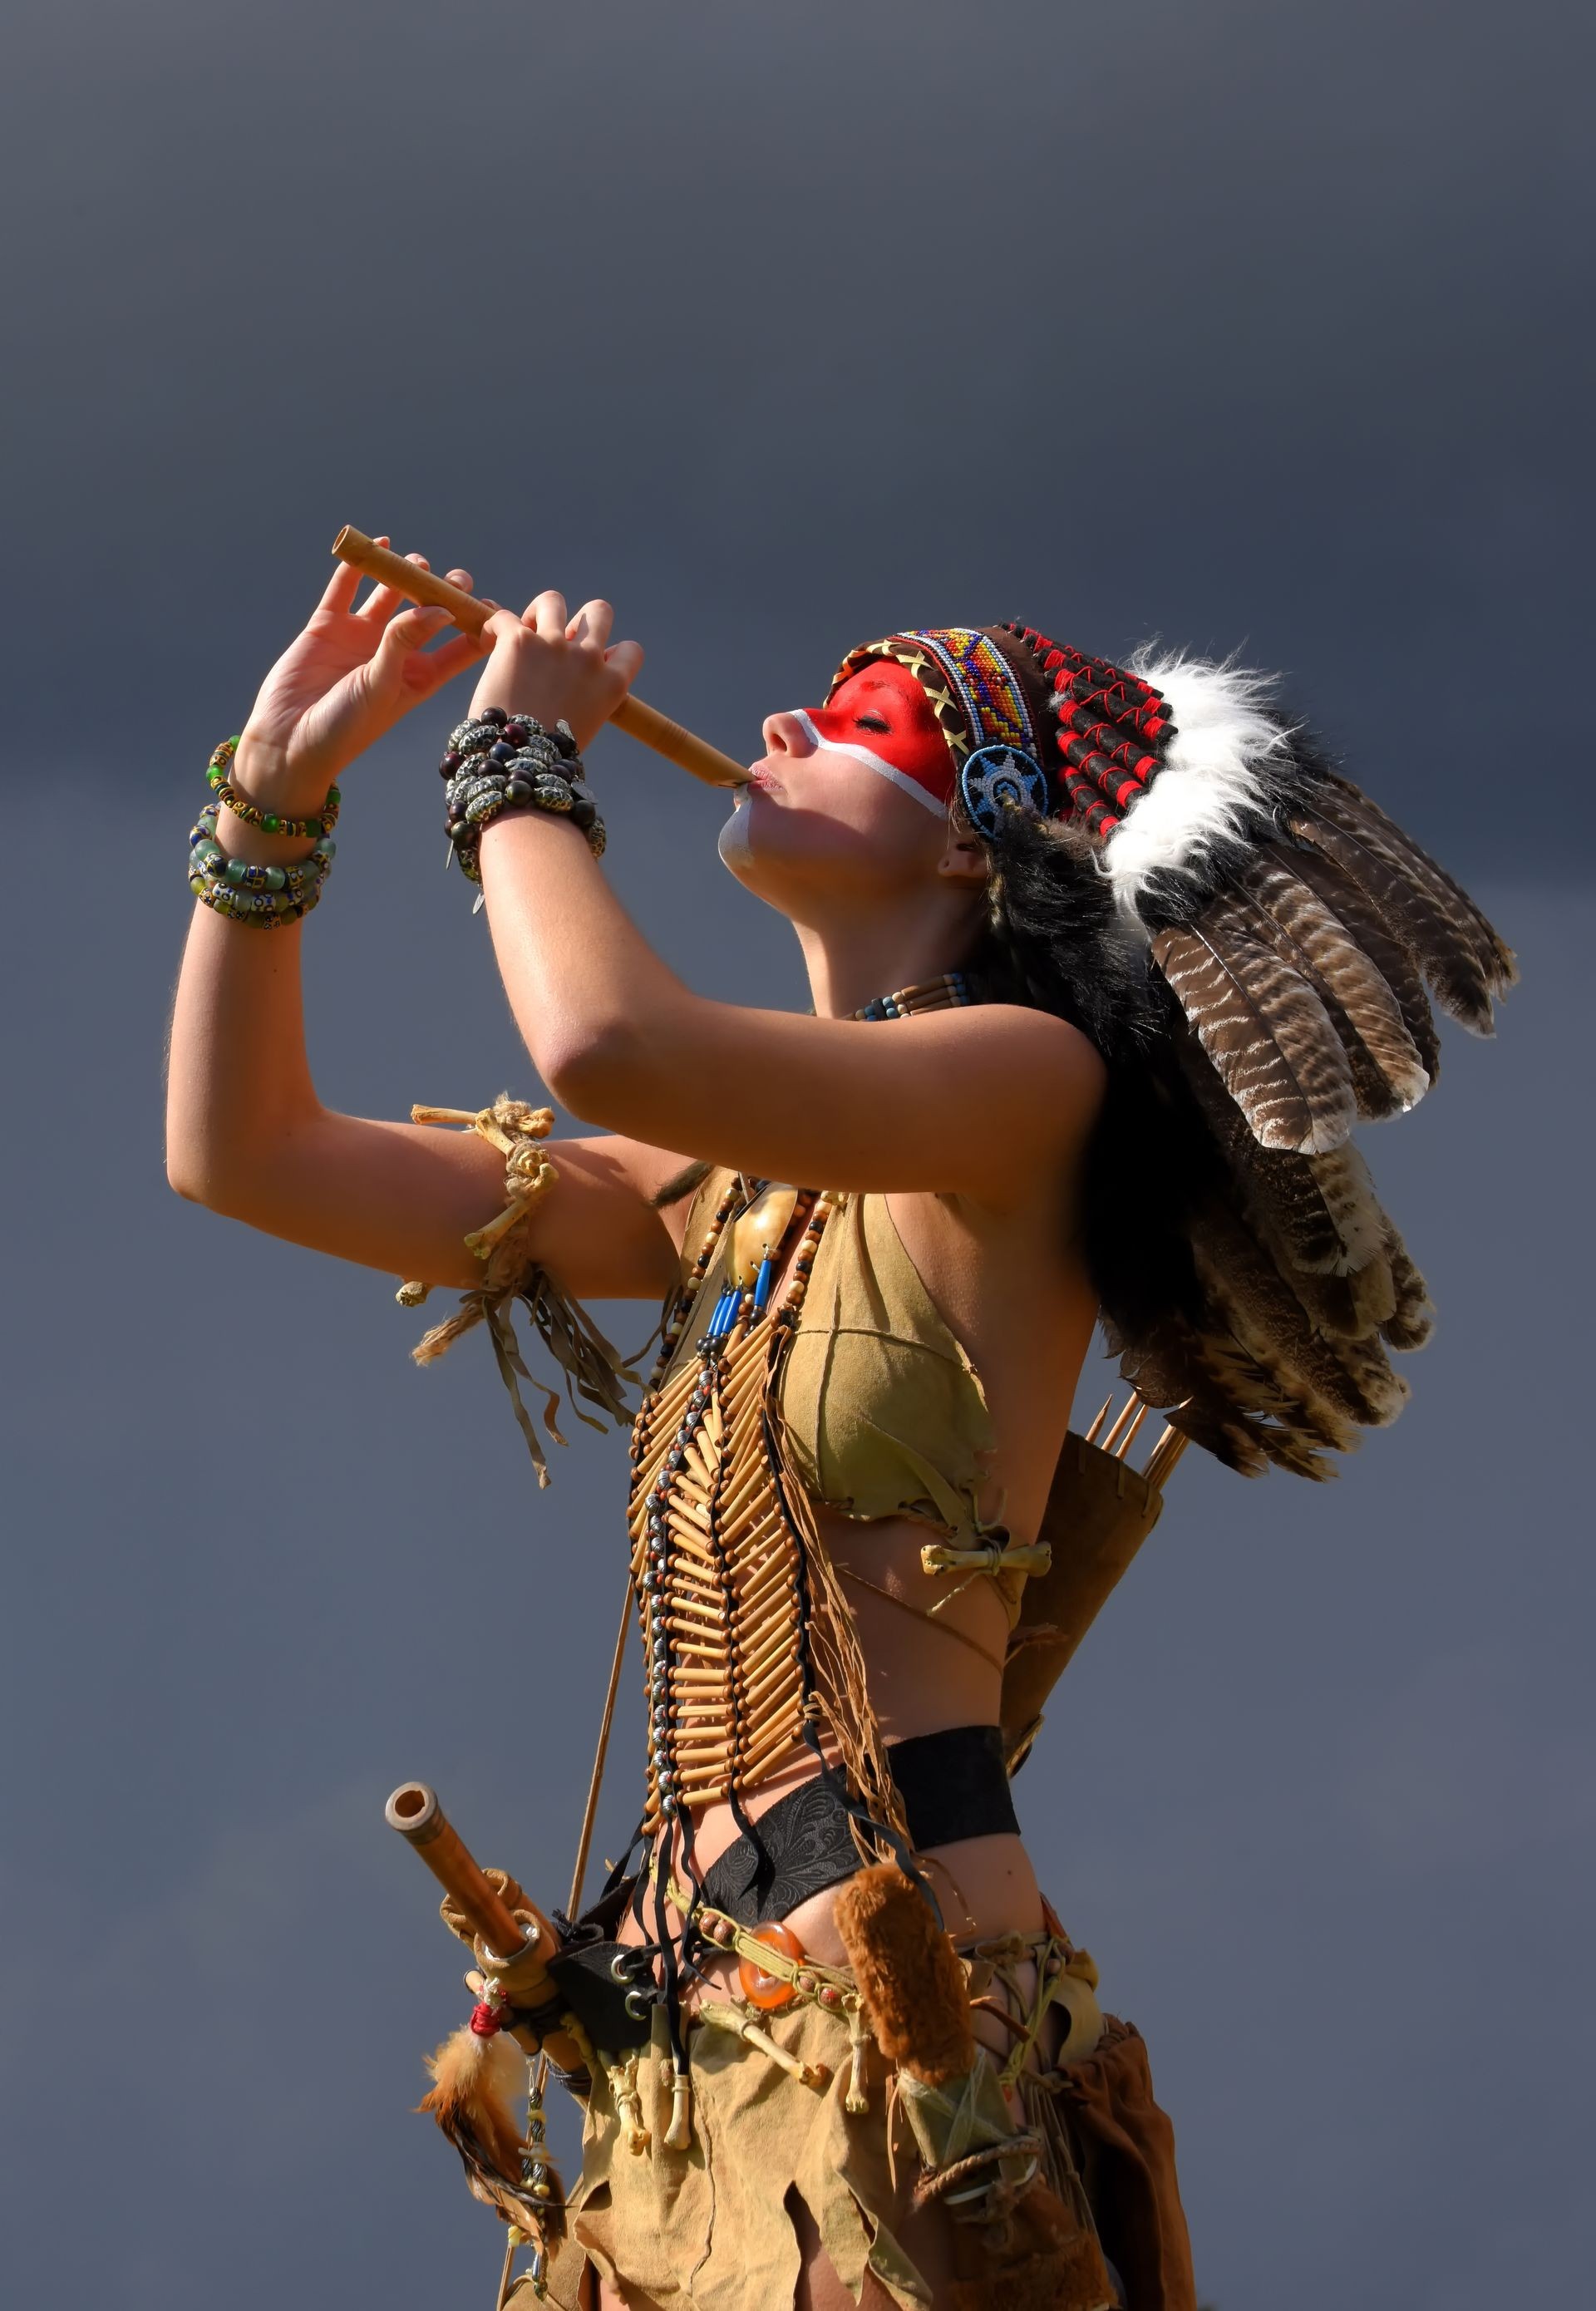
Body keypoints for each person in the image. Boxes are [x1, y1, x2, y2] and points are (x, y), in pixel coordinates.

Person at [165, 549, 1513, 2311]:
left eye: (864, 722)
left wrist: (513, 766)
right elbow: (243, 1155)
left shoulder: (1028, 1084)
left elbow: (604, 1039)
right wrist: (267, 814)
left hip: (888, 2024)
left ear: (972, 845)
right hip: (681, 2051)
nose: (785, 721)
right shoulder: (728, 1191)